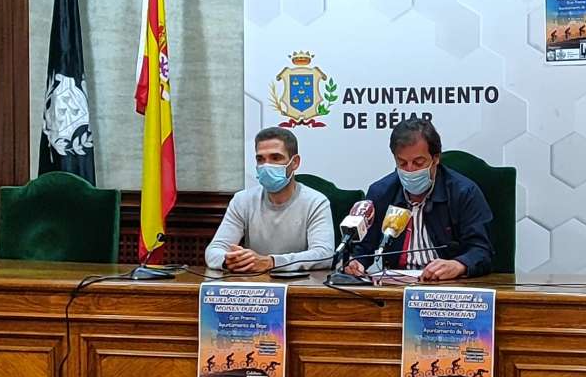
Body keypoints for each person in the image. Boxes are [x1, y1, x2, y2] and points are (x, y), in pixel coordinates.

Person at [345, 118, 493, 281]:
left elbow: (481, 250)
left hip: (448, 285)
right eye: (402, 163)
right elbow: (363, 249)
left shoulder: (463, 192)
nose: (410, 170)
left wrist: (459, 265)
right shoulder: (381, 193)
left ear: (435, 159)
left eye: (418, 162)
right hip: (395, 285)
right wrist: (356, 263)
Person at [205, 127, 334, 272]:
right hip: (254, 282)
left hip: (298, 282)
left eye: (276, 158)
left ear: (295, 162)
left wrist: (271, 262)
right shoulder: (242, 200)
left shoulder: (316, 202)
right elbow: (214, 251)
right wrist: (229, 260)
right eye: (260, 159)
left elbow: (324, 255)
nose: (266, 166)